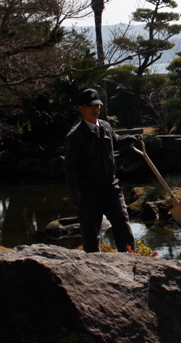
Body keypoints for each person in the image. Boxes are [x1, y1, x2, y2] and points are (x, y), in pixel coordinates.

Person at [64, 88, 136, 253]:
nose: (96, 109)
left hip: (111, 187)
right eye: (91, 106)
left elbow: (115, 142)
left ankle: (132, 258)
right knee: (91, 232)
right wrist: (75, 192)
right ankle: (93, 266)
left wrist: (128, 141)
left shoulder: (105, 127)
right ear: (81, 109)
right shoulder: (75, 136)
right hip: (88, 191)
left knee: (122, 222)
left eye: (98, 106)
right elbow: (70, 168)